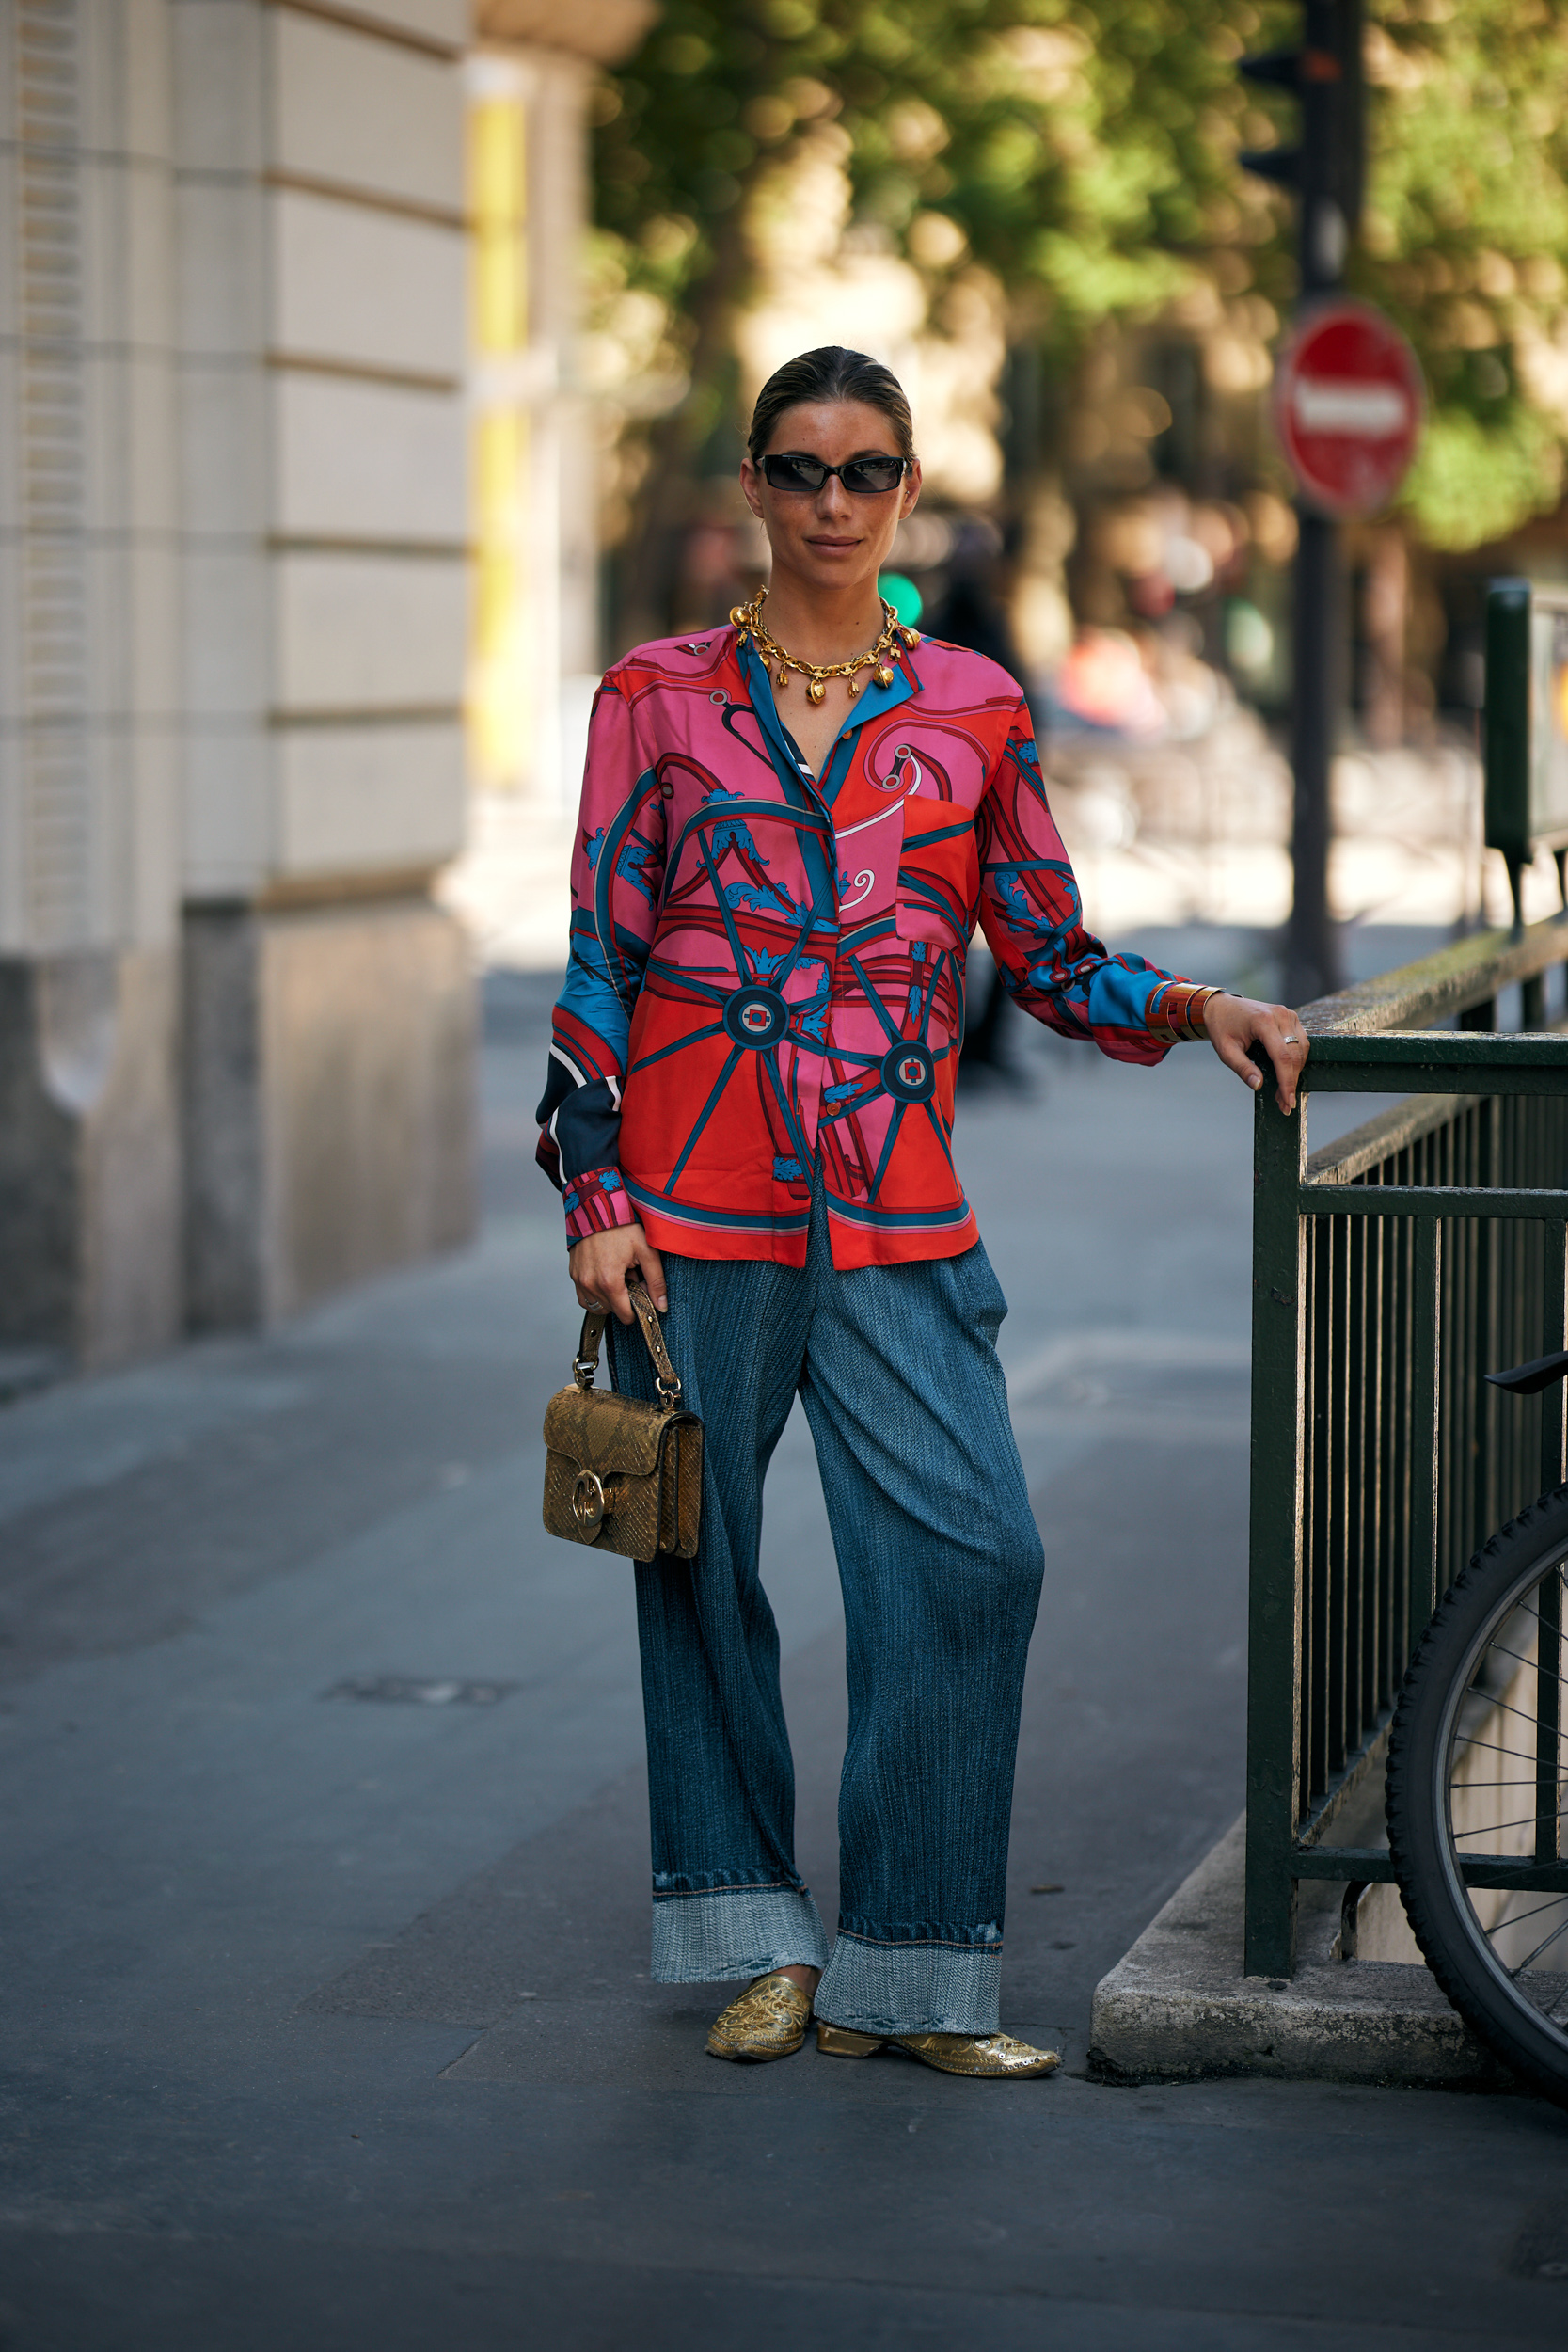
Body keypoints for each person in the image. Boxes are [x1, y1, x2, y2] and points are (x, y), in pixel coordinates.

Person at [536, 346, 1307, 2080]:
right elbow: (602, 952)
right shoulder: (654, 697)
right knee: (698, 1571)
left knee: (975, 1560)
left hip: (897, 1207)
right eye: (800, 470)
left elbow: (1045, 952)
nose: (831, 502)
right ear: (754, 485)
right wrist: (594, 1191)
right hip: (690, 1205)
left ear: (905, 493)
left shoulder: (968, 707)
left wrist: (1202, 1014)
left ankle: (914, 1972)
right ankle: (751, 1936)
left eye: (866, 472)